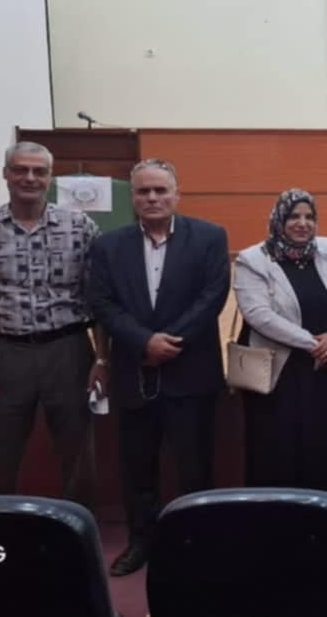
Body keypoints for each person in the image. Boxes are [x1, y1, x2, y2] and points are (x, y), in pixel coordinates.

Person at [86, 158, 230, 576]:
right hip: (134, 372)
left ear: (176, 194)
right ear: (132, 197)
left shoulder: (209, 237)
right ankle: (141, 542)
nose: (152, 198)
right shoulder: (108, 246)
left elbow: (213, 296)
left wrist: (168, 341)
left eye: (160, 190)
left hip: (191, 371)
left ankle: (199, 543)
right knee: (138, 469)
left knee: (195, 467)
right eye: (144, 191)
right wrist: (143, 341)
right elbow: (102, 303)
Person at [0, 142, 105, 506]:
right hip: (6, 351)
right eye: (20, 169)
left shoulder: (79, 226)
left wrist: (101, 358)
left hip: (68, 349)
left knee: (78, 452)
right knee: (0, 452)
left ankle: (80, 526)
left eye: (39, 171)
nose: (29, 178)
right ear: (5, 174)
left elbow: (98, 298)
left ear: (50, 177)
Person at [233, 189, 327, 499]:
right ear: (279, 220)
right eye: (293, 217)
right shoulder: (253, 260)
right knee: (280, 454)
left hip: (326, 372)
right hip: (279, 376)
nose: (303, 223)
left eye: (309, 217)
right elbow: (259, 315)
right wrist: (314, 343)